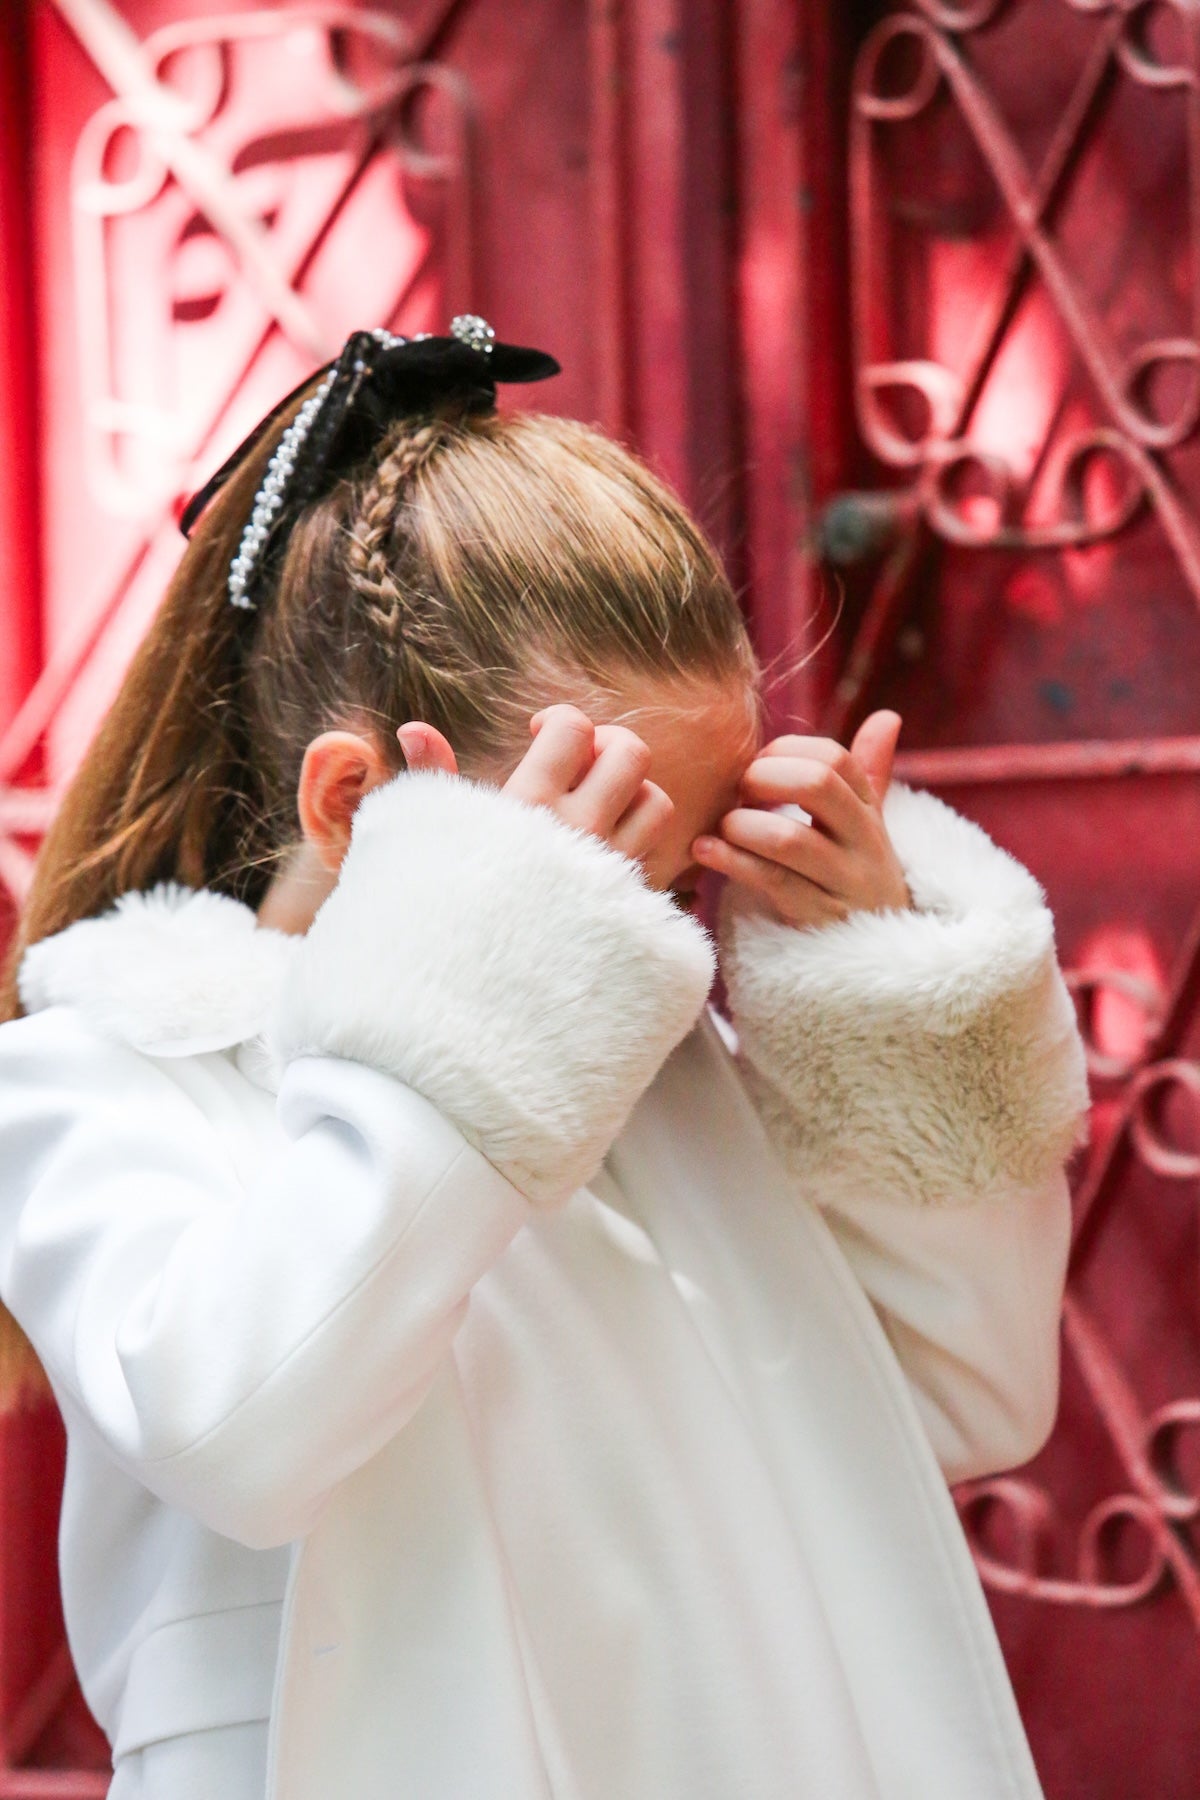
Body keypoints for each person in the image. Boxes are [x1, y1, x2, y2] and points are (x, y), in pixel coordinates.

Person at [0, 319, 1087, 1800]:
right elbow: (241, 1429)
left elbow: (969, 1401)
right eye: (605, 853)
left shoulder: (653, 1075)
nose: (650, 934)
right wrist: (478, 1014)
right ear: (349, 799)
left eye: (684, 867)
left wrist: (886, 1001)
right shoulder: (110, 1070)